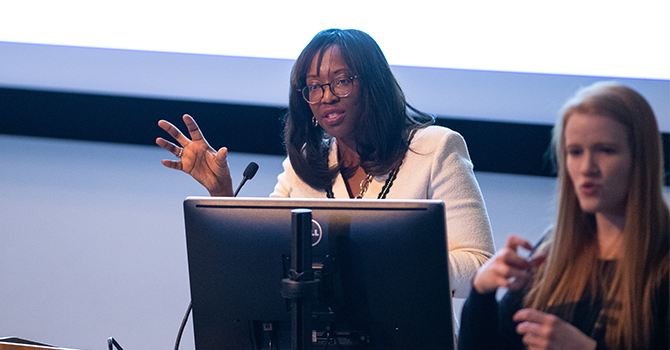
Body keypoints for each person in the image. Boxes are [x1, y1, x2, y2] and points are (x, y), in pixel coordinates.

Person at [156, 28, 495, 298]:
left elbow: (480, 268)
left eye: (342, 81)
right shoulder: (303, 164)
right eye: (314, 87)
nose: (327, 96)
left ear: (373, 85)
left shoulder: (435, 149)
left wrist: (389, 262)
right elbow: (262, 263)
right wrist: (223, 195)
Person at [458, 82, 669, 350]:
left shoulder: (662, 262)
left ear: (640, 158)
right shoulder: (551, 252)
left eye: (605, 150)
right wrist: (481, 292)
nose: (587, 168)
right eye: (575, 152)